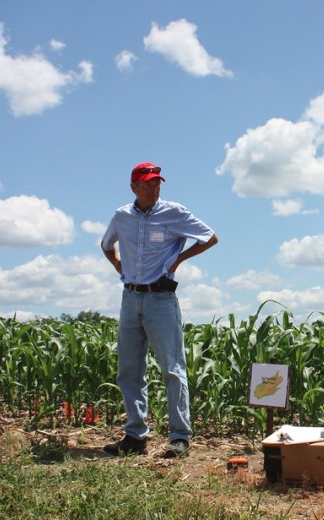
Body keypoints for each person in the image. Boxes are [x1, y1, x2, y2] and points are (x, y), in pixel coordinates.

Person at [101, 162, 218, 458]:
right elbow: (106, 244)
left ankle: (179, 436)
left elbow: (210, 237)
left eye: (157, 184)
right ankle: (135, 436)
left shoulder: (174, 212)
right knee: (129, 369)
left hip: (161, 299)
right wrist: (118, 266)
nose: (154, 189)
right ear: (133, 187)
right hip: (130, 298)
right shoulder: (121, 216)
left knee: (172, 369)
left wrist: (177, 261)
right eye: (147, 184)